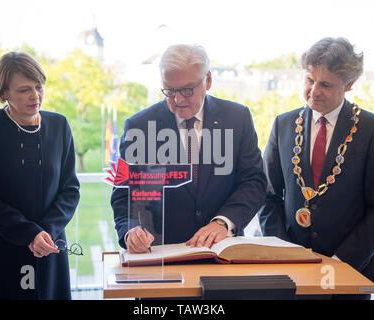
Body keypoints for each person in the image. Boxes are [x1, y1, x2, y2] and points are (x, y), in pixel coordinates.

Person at [258, 37, 374, 299]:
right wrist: (285, 252)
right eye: (310, 80)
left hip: (350, 271)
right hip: (290, 272)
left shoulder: (373, 130)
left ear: (349, 85)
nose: (313, 91)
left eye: (324, 84)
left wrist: (340, 261)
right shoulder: (283, 124)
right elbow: (268, 197)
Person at [111, 44, 267, 253]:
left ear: (208, 81)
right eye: (170, 90)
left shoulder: (237, 119)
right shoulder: (139, 126)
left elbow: (253, 181)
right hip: (160, 254)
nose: (178, 100)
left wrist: (222, 223)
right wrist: (130, 230)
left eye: (187, 90)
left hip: (222, 251)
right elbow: (123, 191)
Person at [0, 52, 80, 299]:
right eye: (24, 90)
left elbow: (70, 189)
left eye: (39, 87)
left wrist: (46, 232)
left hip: (49, 246)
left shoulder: (59, 125)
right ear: (4, 92)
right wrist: (29, 233)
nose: (35, 96)